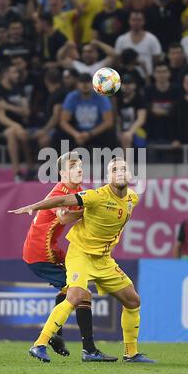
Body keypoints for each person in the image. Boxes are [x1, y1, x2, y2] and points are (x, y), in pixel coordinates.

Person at [9, 157, 156, 364]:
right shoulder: (91, 195)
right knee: (78, 294)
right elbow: (62, 209)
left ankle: (130, 354)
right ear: (108, 177)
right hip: (60, 253)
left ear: (131, 175)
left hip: (102, 259)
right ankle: (42, 343)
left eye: (124, 168)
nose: (120, 172)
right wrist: (34, 206)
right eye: (115, 169)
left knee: (133, 300)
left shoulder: (132, 198)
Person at [19, 151, 117, 361]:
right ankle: (85, 349)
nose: (79, 169)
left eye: (80, 165)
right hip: (40, 252)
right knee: (81, 293)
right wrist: (88, 212)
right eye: (73, 166)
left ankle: (58, 336)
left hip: (51, 250)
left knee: (73, 290)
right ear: (62, 172)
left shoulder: (78, 191)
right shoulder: (58, 192)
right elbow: (63, 218)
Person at [60, 72, 115, 150]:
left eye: (87, 82)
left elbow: (109, 121)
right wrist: (75, 134)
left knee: (110, 133)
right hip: (77, 131)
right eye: (82, 82)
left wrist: (90, 134)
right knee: (60, 134)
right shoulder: (72, 97)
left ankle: (108, 159)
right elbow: (63, 121)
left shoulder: (101, 97)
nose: (85, 85)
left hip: (97, 132)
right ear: (77, 84)